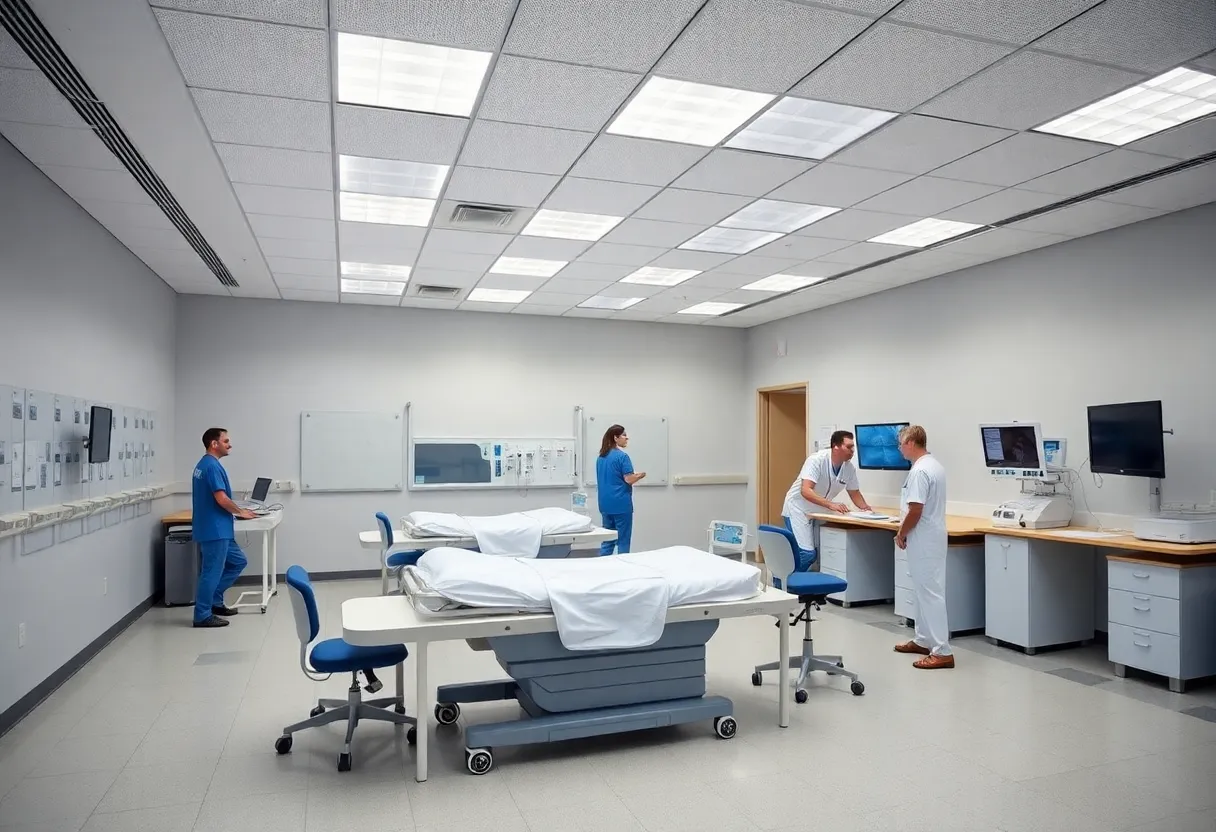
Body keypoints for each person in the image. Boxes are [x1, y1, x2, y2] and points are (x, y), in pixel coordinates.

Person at [893, 425, 953, 669]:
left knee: (930, 593)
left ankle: (942, 650)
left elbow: (915, 510)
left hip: (923, 537)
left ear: (910, 442)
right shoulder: (934, 465)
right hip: (931, 535)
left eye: (900, 444)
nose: (899, 448)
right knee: (922, 590)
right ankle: (923, 639)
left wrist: (901, 532)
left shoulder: (920, 471)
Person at [191, 427, 254, 628]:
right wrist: (240, 512)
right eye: (226, 441)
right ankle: (202, 615)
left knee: (238, 561)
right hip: (215, 530)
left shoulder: (205, 465)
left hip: (218, 528)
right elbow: (221, 498)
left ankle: (216, 601)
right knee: (211, 572)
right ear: (214, 444)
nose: (230, 445)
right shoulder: (211, 466)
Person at [781, 430, 873, 553]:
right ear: (835, 447)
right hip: (798, 508)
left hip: (819, 508)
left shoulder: (849, 468)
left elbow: (854, 493)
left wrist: (867, 509)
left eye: (853, 447)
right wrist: (832, 505)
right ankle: (787, 573)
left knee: (820, 551)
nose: (852, 451)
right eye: (849, 447)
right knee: (805, 554)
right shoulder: (816, 460)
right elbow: (806, 490)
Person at [595, 424, 644, 555]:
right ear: (615, 438)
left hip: (605, 504)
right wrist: (640, 475)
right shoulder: (622, 457)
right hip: (620, 504)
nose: (626, 438)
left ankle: (603, 567)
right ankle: (624, 569)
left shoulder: (601, 458)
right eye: (624, 435)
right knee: (623, 540)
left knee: (607, 539)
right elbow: (629, 479)